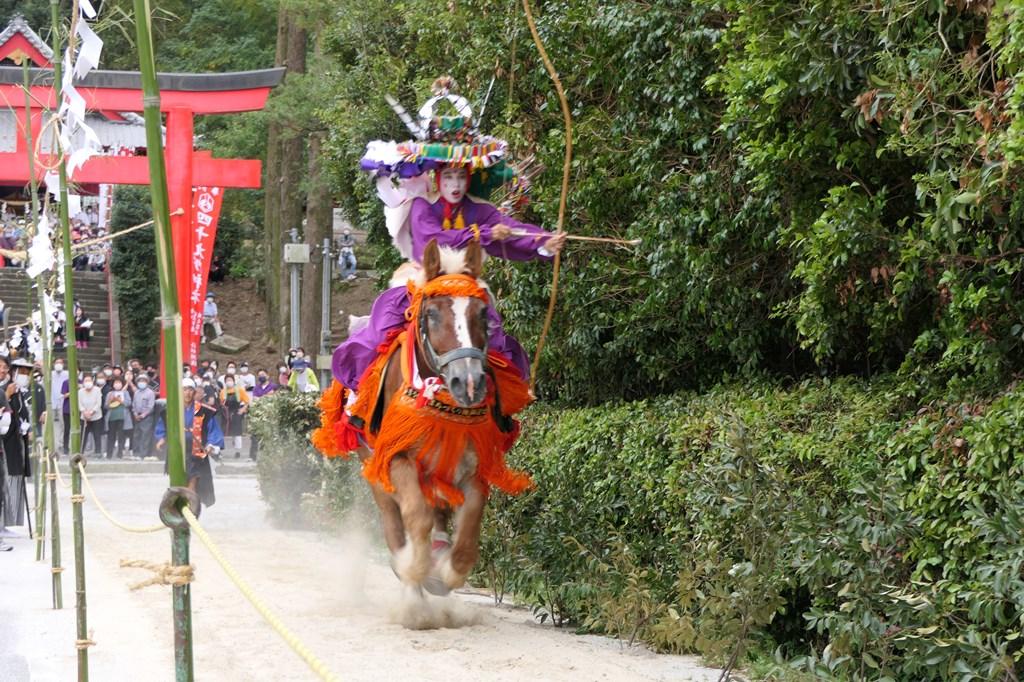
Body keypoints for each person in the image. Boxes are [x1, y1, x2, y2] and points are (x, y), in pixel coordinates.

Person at [335, 78, 566, 392]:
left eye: (461, 176)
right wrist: (482, 233)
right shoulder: (422, 205)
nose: (455, 185)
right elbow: (435, 239)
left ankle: (498, 407)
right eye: (449, 177)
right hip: (422, 278)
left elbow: (511, 230)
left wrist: (543, 242)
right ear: (437, 177)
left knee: (493, 335)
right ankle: (365, 400)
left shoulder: (479, 208)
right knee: (383, 326)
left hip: (467, 281)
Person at [156, 378, 222, 506]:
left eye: (190, 390)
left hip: (196, 451)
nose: (187, 393)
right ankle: (179, 507)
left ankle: (190, 507)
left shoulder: (204, 410)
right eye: (184, 389)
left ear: (194, 392)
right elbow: (162, 426)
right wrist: (162, 437)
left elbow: (213, 429)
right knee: (177, 480)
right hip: (177, 450)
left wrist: (211, 444)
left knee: (193, 479)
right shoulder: (170, 410)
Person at [0, 358, 32, 534]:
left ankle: (7, 522)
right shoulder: (5, 390)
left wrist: (26, 426)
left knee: (13, 482)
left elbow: (22, 413)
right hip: (4, 442)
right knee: (4, 483)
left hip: (16, 441)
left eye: (5, 367)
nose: (3, 370)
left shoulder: (19, 390)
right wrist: (7, 395)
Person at [220, 375, 250, 458]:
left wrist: (242, 410)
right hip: (226, 413)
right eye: (227, 380)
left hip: (237, 412)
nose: (229, 381)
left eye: (230, 379)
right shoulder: (222, 391)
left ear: (233, 381)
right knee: (226, 431)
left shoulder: (240, 390)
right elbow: (221, 403)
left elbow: (247, 402)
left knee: (237, 431)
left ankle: (238, 451)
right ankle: (221, 451)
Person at [104, 377, 131, 459]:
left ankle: (120, 454)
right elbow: (106, 406)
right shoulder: (110, 394)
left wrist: (120, 401)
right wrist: (110, 401)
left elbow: (128, 403)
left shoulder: (125, 393)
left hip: (122, 417)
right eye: (116, 383)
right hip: (112, 417)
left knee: (121, 436)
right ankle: (109, 454)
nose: (117, 384)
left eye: (119, 382)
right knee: (111, 436)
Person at [131, 373, 157, 460]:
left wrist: (142, 416)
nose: (141, 382)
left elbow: (150, 407)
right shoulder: (136, 392)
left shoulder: (150, 393)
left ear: (147, 382)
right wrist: (135, 414)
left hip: (146, 417)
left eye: (143, 381)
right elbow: (133, 404)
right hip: (137, 416)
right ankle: (136, 453)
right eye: (140, 381)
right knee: (136, 435)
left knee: (145, 436)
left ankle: (143, 454)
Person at [78, 373, 104, 454]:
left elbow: (98, 403)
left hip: (96, 416)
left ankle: (98, 452)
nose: (87, 382)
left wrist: (92, 412)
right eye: (86, 381)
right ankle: (81, 451)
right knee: (83, 435)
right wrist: (84, 412)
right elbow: (79, 403)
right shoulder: (80, 391)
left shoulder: (97, 390)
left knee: (97, 435)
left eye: (89, 380)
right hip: (84, 417)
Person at [50, 358, 68, 454]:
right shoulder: (50, 374)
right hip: (51, 402)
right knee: (50, 425)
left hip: (63, 402)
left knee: (63, 424)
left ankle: (61, 444)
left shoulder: (67, 374)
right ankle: (52, 444)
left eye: (60, 362)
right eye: (57, 363)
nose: (58, 364)